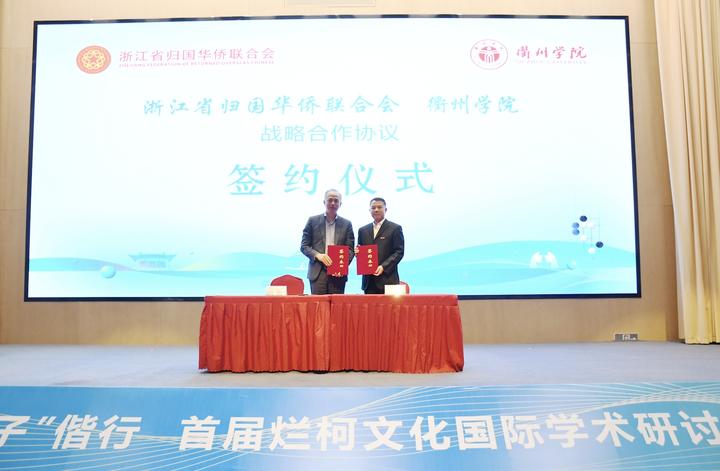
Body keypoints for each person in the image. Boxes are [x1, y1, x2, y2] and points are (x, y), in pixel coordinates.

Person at [301, 189, 355, 294]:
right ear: (324, 202)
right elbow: (304, 246)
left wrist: (342, 265)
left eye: (336, 200)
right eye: (330, 200)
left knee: (337, 304)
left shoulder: (347, 224)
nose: (333, 203)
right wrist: (318, 255)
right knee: (318, 304)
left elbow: (350, 249)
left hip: (338, 273)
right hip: (318, 272)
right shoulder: (312, 221)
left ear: (340, 204)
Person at [357, 197, 404, 294]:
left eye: (379, 207)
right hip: (369, 282)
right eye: (373, 207)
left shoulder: (395, 228)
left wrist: (383, 267)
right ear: (369, 210)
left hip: (388, 280)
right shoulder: (362, 230)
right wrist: (358, 253)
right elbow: (361, 250)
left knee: (390, 305)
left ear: (385, 209)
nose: (376, 210)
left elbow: (399, 252)